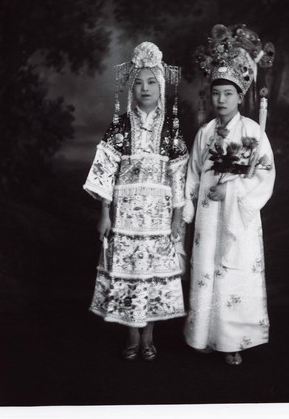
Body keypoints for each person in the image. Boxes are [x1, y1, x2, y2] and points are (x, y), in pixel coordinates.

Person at [84, 42, 188, 361]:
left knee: (152, 275)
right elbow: (104, 169)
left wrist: (176, 217)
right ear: (131, 87)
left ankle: (149, 337)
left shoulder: (171, 130)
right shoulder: (121, 126)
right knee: (129, 273)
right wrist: (105, 213)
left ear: (161, 86)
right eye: (139, 82)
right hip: (126, 217)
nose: (145, 88)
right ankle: (131, 335)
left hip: (158, 220)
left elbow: (179, 176)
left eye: (152, 82)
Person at [183, 24, 276, 365]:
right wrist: (188, 213)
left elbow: (265, 172)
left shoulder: (253, 131)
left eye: (228, 94)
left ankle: (232, 341)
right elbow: (192, 174)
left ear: (240, 97)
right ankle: (205, 335)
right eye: (216, 93)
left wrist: (235, 188)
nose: (221, 100)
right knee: (206, 269)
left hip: (239, 217)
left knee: (233, 272)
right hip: (208, 215)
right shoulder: (205, 132)